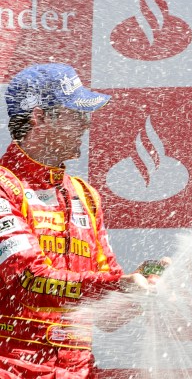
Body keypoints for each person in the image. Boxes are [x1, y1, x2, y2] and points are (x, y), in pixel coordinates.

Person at [0, 63, 163, 378]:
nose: (86, 123)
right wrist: (116, 286)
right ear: (40, 118)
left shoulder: (85, 195)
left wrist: (140, 287)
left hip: (79, 371)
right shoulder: (4, 188)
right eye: (75, 113)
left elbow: (108, 317)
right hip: (13, 368)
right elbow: (27, 281)